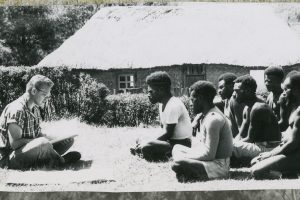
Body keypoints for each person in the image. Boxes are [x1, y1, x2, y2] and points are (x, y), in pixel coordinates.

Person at [0, 75, 81, 169]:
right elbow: (15, 144)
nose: (47, 98)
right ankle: (60, 161)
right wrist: (41, 142)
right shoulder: (17, 109)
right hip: (9, 158)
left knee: (68, 141)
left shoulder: (35, 108)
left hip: (30, 150)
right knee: (43, 143)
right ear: (34, 91)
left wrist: (59, 138)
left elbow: (38, 134)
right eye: (44, 95)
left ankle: (47, 160)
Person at [171, 81, 233, 182]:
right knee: (177, 148)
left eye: (192, 100)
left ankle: (193, 173)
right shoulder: (206, 114)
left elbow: (209, 155)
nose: (190, 104)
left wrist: (186, 157)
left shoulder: (214, 119)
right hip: (210, 159)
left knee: (178, 163)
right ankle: (189, 172)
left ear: (200, 99)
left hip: (218, 166)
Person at [130, 71, 192, 161]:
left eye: (151, 92)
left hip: (182, 144)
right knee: (140, 139)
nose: (148, 95)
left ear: (161, 90)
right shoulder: (162, 104)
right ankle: (144, 150)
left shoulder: (174, 105)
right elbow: (163, 131)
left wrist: (148, 142)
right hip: (170, 142)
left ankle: (148, 152)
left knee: (147, 146)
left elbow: (167, 134)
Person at [251, 72, 300, 179]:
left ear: (296, 90)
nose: (284, 92)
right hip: (290, 152)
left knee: (257, 171)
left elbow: (293, 143)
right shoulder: (294, 106)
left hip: (296, 155)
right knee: (254, 162)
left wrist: (270, 154)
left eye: (286, 89)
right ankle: (289, 172)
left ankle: (292, 174)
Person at [232, 75, 281, 164]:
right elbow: (241, 134)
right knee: (228, 145)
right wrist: (232, 142)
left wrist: (230, 145)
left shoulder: (259, 108)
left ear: (247, 91)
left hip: (269, 149)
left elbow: (250, 139)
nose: (233, 95)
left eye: (236, 91)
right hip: (257, 145)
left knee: (227, 146)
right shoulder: (247, 108)